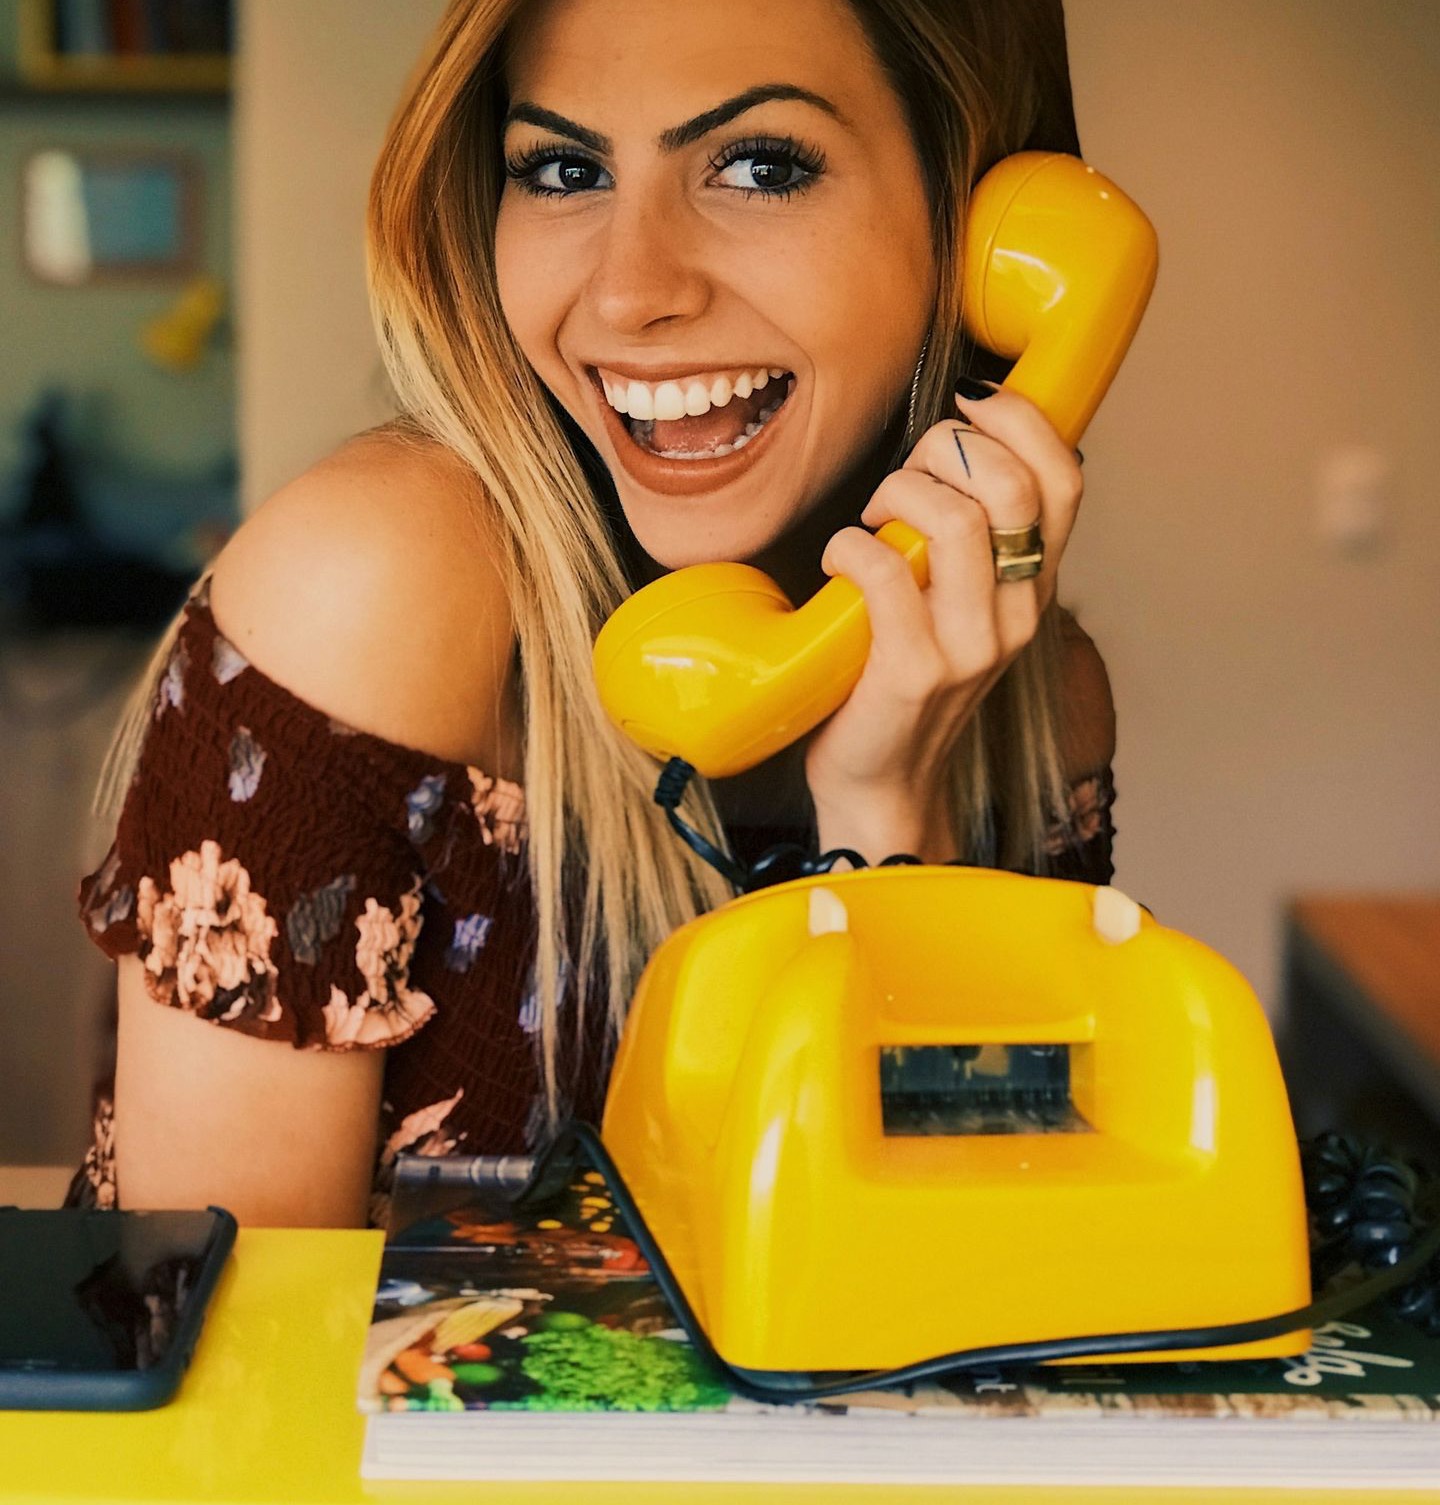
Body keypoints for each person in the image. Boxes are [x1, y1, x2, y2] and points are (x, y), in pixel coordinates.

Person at [70, 0, 1116, 1229]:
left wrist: (886, 814)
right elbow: (234, 1365)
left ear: (985, 226)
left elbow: (964, 1297)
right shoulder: (370, 588)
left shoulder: (1035, 700)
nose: (629, 293)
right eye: (563, 170)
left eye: (759, 165)